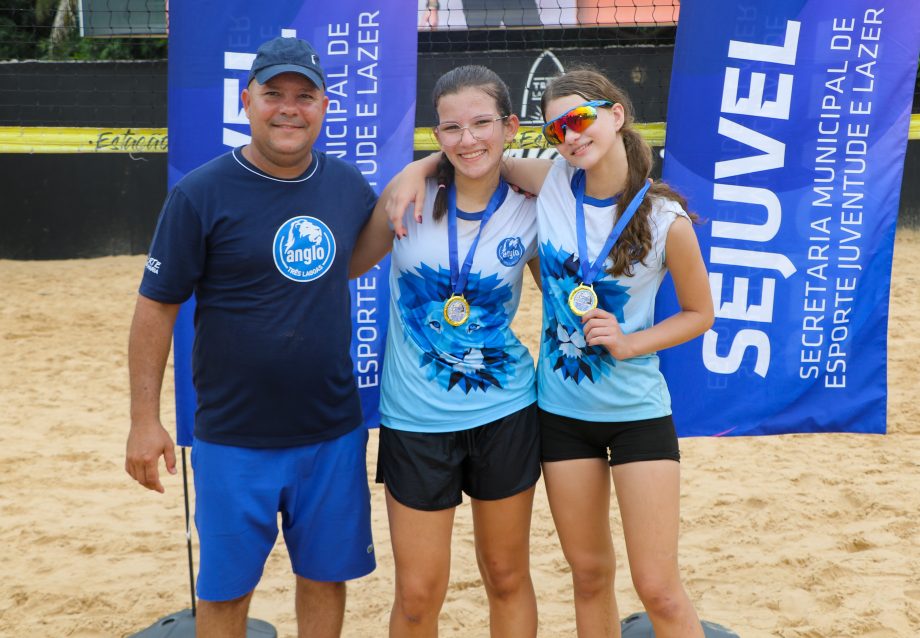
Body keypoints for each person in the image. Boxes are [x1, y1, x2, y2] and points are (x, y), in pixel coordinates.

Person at [388, 68, 713, 637]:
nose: (570, 134)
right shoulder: (554, 183)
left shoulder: (665, 219)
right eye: (557, 126)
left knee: (658, 588)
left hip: (636, 412)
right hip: (560, 415)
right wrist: (417, 166)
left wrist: (631, 342)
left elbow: (700, 314)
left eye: (581, 118)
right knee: (588, 575)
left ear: (616, 115)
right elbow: (476, 159)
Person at [124, 36, 377, 638]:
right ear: (246, 101)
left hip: (331, 431)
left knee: (324, 579)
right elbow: (156, 308)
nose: (289, 108)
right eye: (274, 94)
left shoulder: (346, 187)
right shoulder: (200, 194)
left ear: (324, 106)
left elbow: (361, 255)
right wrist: (143, 419)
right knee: (226, 591)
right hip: (234, 437)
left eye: (304, 96)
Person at [351, 65, 542, 637]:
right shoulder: (407, 197)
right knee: (416, 595)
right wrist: (414, 171)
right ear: (437, 136)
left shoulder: (532, 204)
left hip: (504, 411)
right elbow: (347, 266)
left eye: (483, 123)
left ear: (509, 126)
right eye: (452, 129)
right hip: (415, 420)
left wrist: (431, 161)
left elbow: (595, 175)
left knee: (507, 576)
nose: (469, 139)